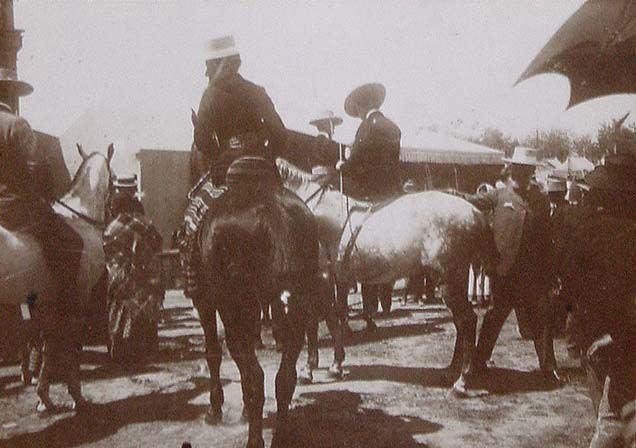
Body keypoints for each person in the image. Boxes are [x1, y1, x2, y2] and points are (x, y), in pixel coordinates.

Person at [0, 67, 86, 412]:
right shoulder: (16, 125)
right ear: (11, 94)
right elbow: (34, 169)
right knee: (72, 243)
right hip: (16, 209)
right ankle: (63, 309)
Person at [181, 34, 288, 301]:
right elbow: (280, 133)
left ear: (217, 63)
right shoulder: (257, 91)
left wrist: (221, 156)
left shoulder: (211, 94)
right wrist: (266, 154)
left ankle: (194, 280)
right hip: (264, 169)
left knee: (192, 221)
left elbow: (202, 141)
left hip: (228, 171)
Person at [461, 147, 560, 383]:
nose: (522, 173)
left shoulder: (541, 200)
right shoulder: (498, 196)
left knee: (542, 320)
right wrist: (451, 194)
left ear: (531, 171)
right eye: (518, 169)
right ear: (511, 170)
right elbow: (472, 200)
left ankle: (548, 368)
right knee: (494, 318)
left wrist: (550, 273)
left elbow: (547, 238)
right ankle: (478, 362)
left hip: (533, 273)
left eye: (527, 170)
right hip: (504, 271)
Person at [103, 187, 163, 365]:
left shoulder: (111, 229)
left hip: (118, 279)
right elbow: (157, 243)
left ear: (115, 208)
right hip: (142, 278)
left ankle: (119, 351)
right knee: (144, 314)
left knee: (118, 314)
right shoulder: (144, 222)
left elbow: (106, 253)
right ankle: (145, 349)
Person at [335, 83, 401, 202]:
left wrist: (342, 166)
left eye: (357, 108)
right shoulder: (392, 126)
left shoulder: (366, 126)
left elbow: (358, 160)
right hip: (392, 189)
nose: (358, 113)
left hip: (370, 189)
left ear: (362, 106)